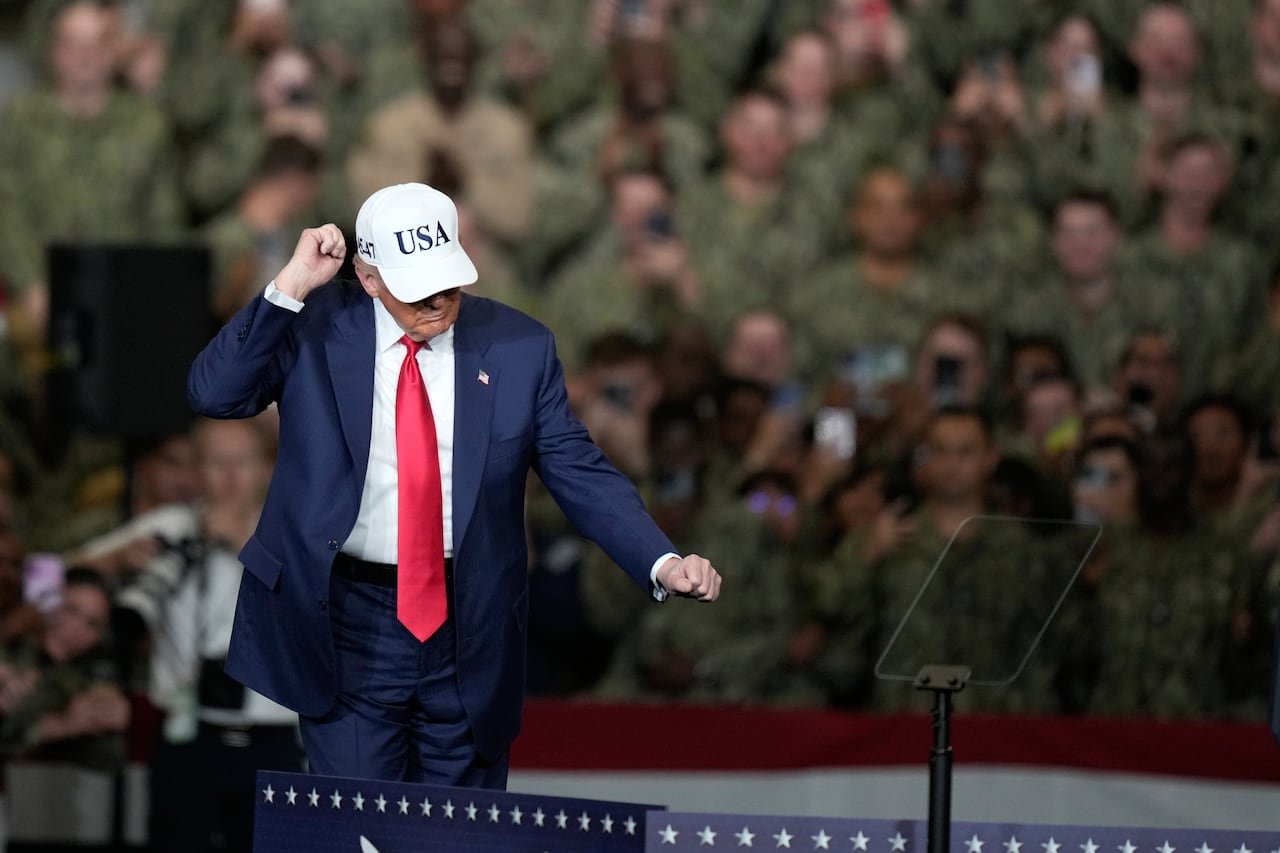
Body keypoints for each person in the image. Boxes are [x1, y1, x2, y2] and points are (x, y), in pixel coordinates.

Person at [187, 182, 721, 788]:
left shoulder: (519, 347)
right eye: (418, 286)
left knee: (461, 827)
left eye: (447, 279)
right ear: (369, 278)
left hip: (471, 626)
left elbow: (577, 468)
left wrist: (661, 561)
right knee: (360, 821)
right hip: (346, 622)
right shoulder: (314, 325)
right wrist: (290, 286)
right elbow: (214, 393)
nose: (438, 299)